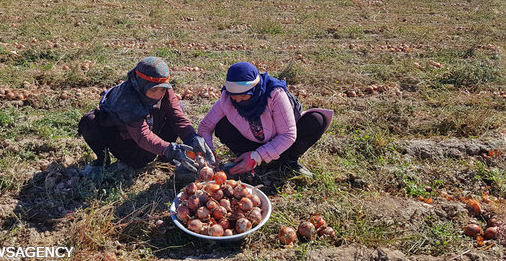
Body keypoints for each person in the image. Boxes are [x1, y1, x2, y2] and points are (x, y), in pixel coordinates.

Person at [78, 57, 214, 171]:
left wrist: (191, 136)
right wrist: (169, 149)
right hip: (124, 135)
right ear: (141, 85)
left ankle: (166, 156)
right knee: (89, 122)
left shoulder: (164, 89)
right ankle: (102, 161)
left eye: (162, 90)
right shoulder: (127, 97)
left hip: (146, 126)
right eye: (154, 90)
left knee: (179, 107)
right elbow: (142, 135)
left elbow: (176, 116)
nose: (159, 94)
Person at [198, 62, 332, 177]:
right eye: (235, 97)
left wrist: (257, 156)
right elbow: (205, 127)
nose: (238, 101)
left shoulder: (274, 94)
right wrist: (210, 155)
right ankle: (245, 156)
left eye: (244, 96)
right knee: (222, 125)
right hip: (253, 141)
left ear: (255, 89)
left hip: (282, 141)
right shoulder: (227, 98)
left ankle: (288, 161)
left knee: (316, 120)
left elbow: (288, 135)